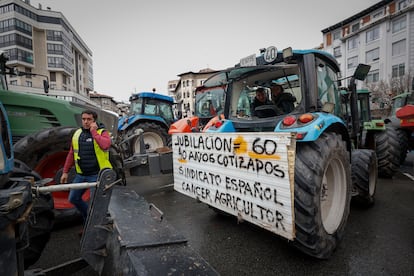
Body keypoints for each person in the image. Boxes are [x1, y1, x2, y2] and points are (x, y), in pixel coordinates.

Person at [60, 110, 112, 223]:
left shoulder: (102, 132)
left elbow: (105, 145)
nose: (86, 122)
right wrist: (65, 171)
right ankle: (88, 218)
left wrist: (94, 132)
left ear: (94, 121)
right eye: (84, 119)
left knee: (96, 204)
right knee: (73, 198)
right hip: (81, 175)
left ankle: (96, 225)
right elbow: (71, 153)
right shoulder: (77, 134)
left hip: (96, 175)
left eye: (89, 119)